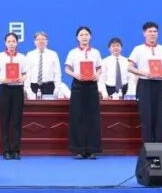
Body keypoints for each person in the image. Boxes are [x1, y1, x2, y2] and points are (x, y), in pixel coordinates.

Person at [127, 21, 162, 143]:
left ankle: (159, 144)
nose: (153, 34)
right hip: (145, 84)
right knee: (146, 115)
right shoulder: (138, 49)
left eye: (155, 31)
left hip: (160, 85)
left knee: (160, 115)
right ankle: (148, 145)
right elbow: (130, 67)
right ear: (144, 33)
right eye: (150, 31)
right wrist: (143, 73)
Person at [64, 26, 103, 159]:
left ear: (90, 37)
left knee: (92, 116)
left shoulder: (96, 52)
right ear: (77, 37)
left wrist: (97, 75)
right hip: (78, 85)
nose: (84, 37)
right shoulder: (73, 52)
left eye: (86, 34)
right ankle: (79, 149)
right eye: (81, 35)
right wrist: (75, 75)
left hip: (92, 85)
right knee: (77, 116)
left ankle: (92, 149)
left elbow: (99, 68)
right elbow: (67, 69)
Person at [0, 32, 27, 159]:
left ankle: (15, 150)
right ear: (5, 43)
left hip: (17, 89)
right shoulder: (0, 56)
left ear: (17, 43)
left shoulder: (22, 57)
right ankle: (6, 150)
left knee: (16, 120)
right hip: (4, 89)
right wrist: (1, 79)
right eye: (9, 41)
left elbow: (26, 73)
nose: (11, 44)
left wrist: (22, 78)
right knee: (4, 120)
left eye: (13, 41)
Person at [23, 31, 62, 99]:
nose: (41, 41)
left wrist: (57, 88)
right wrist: (28, 89)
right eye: (38, 39)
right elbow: (27, 73)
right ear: (34, 42)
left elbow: (57, 73)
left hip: (49, 86)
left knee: (48, 106)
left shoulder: (53, 54)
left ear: (47, 41)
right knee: (34, 106)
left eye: (43, 39)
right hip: (34, 86)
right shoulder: (29, 55)